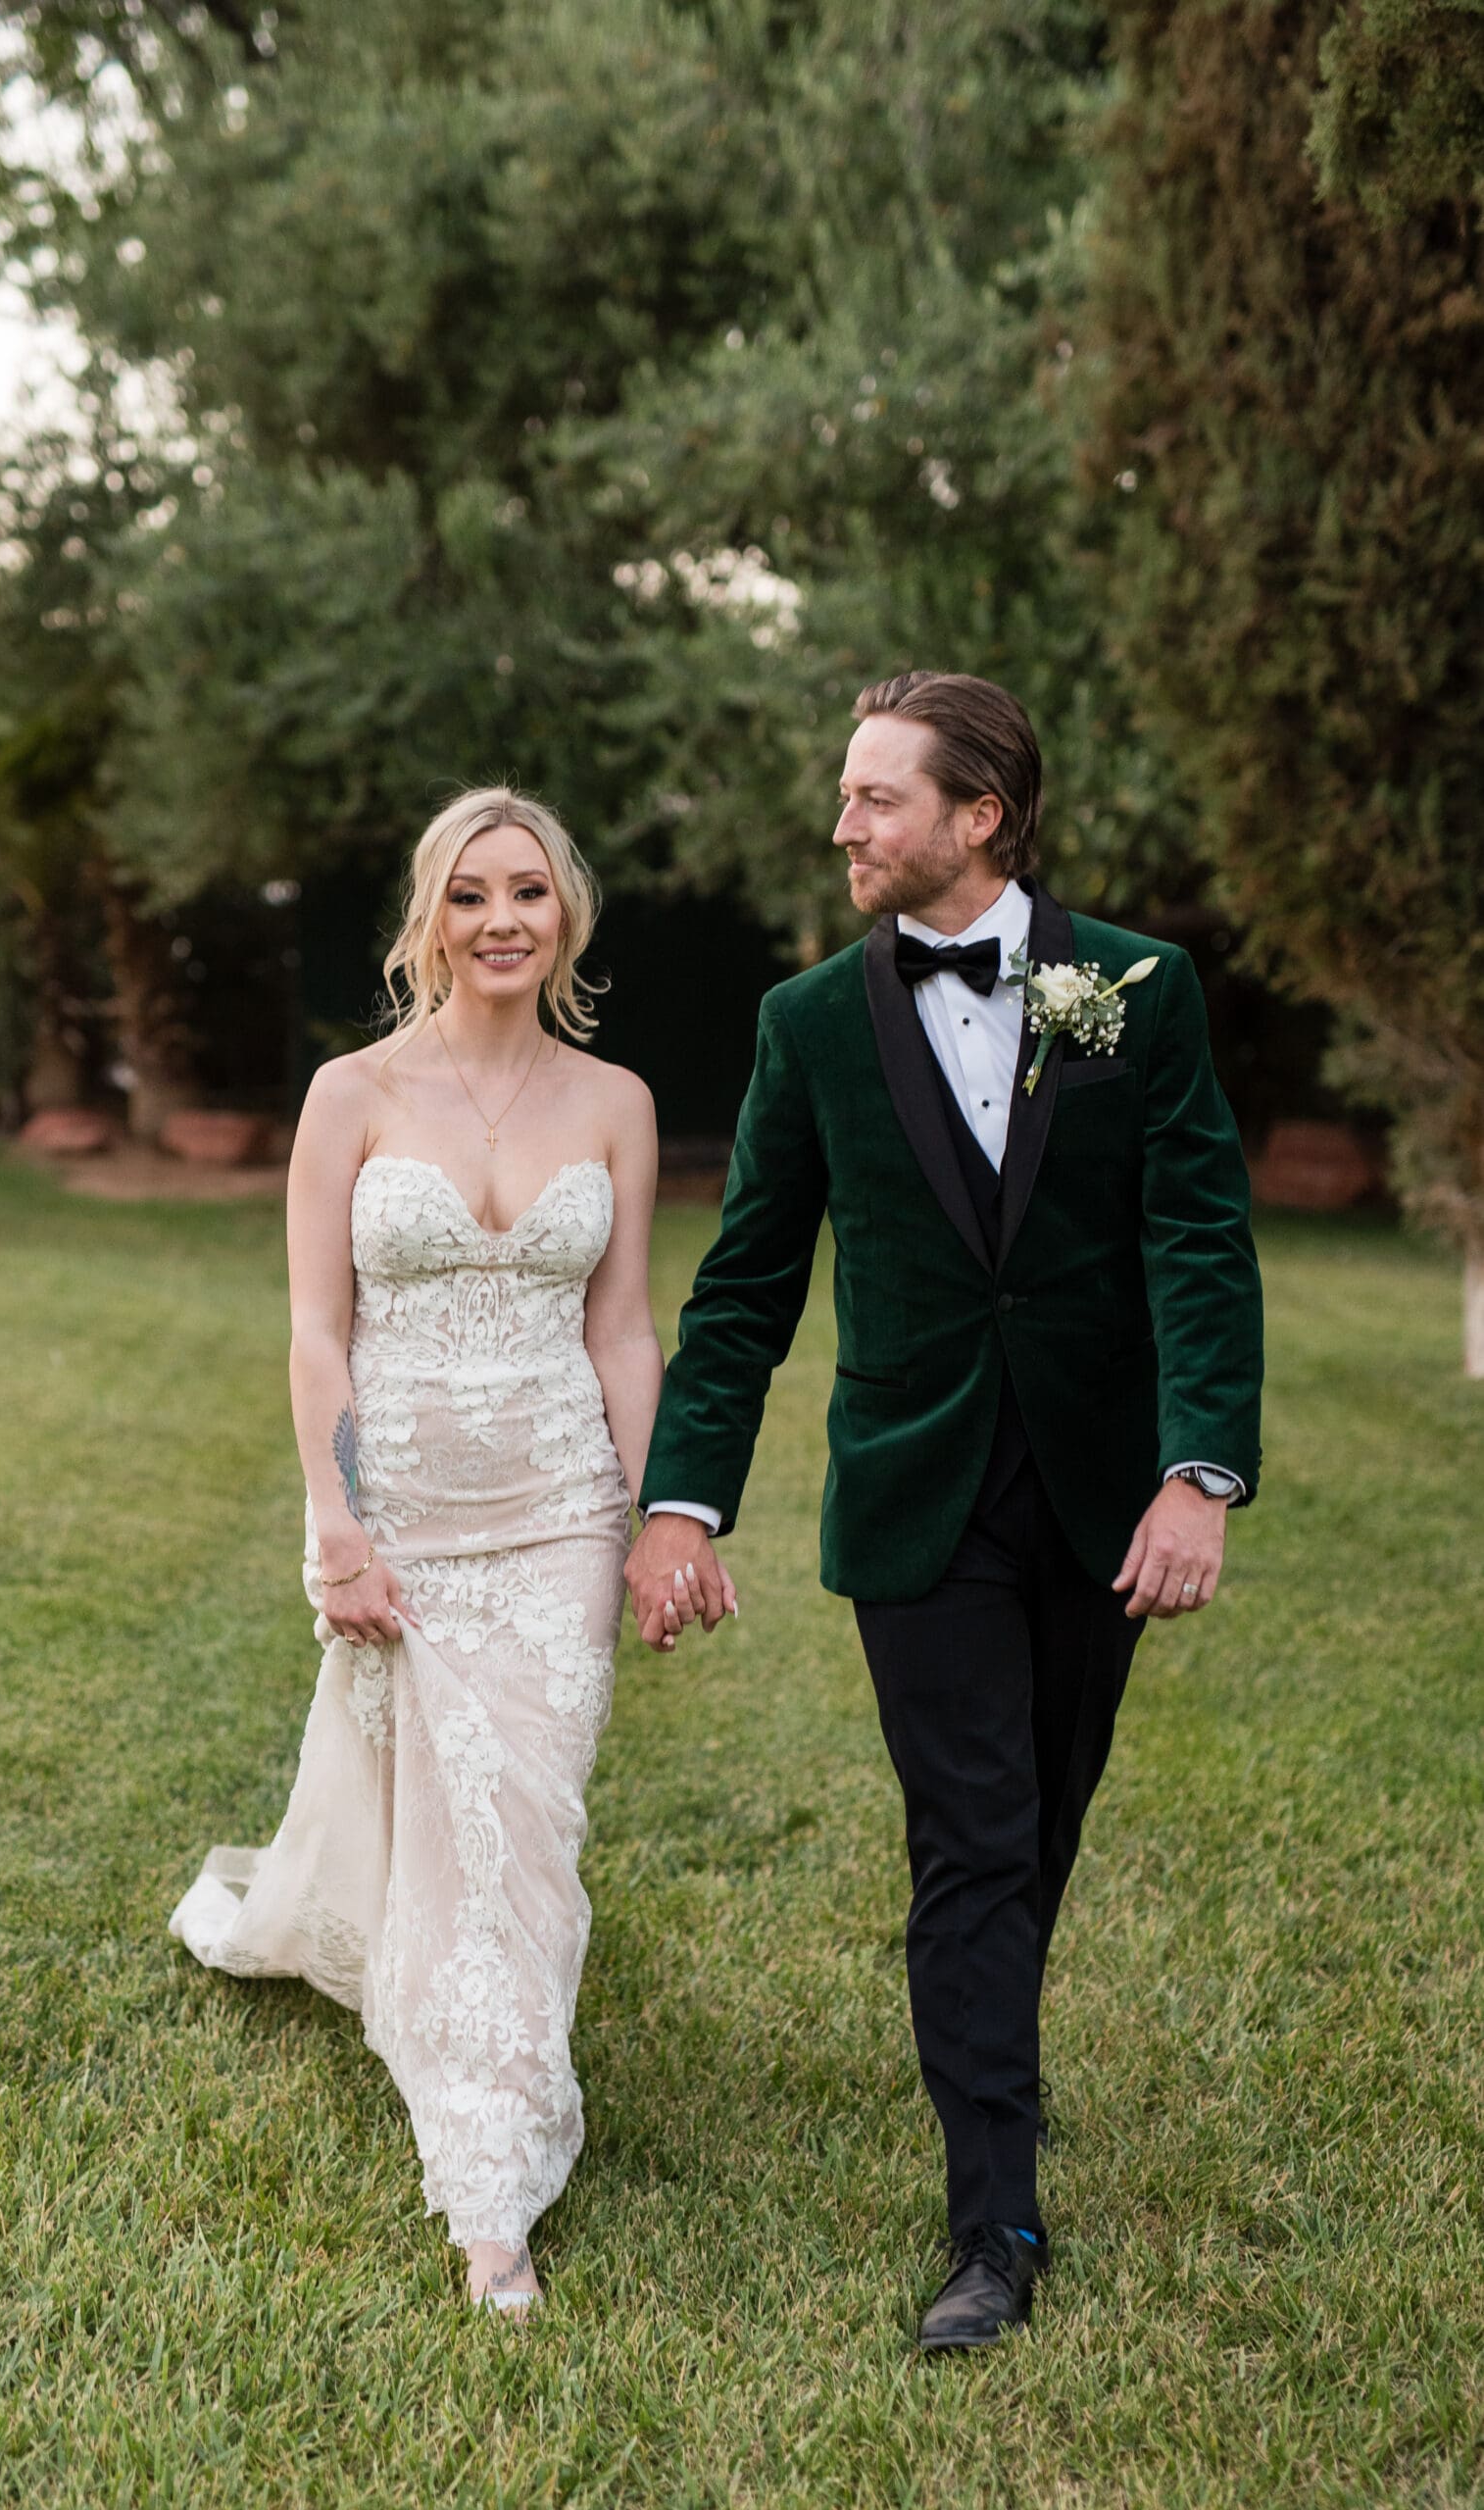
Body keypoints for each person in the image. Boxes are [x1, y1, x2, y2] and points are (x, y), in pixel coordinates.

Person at [627, 671, 1262, 2352]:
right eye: (843, 797)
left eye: (874, 798)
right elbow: (748, 1282)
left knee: (1039, 1825)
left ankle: (994, 2072)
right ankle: (994, 2222)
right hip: (915, 1497)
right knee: (970, 1842)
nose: (841, 825)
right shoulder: (808, 1025)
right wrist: (682, 1504)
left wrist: (1196, 1470)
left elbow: (1192, 1230)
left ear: (977, 817)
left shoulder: (1125, 989)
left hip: (1096, 1489)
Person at [171, 786, 684, 2314]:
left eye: (530, 890)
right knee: (440, 1824)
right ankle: (487, 2176)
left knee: (525, 1822)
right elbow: (318, 1332)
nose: (504, 918)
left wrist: (658, 1520)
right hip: (400, 1503)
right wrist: (337, 1522)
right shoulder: (351, 1094)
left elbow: (623, 1328)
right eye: (472, 894)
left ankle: (492, 2179)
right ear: (430, 919)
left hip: (559, 1512)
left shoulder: (617, 1103)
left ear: (567, 913)